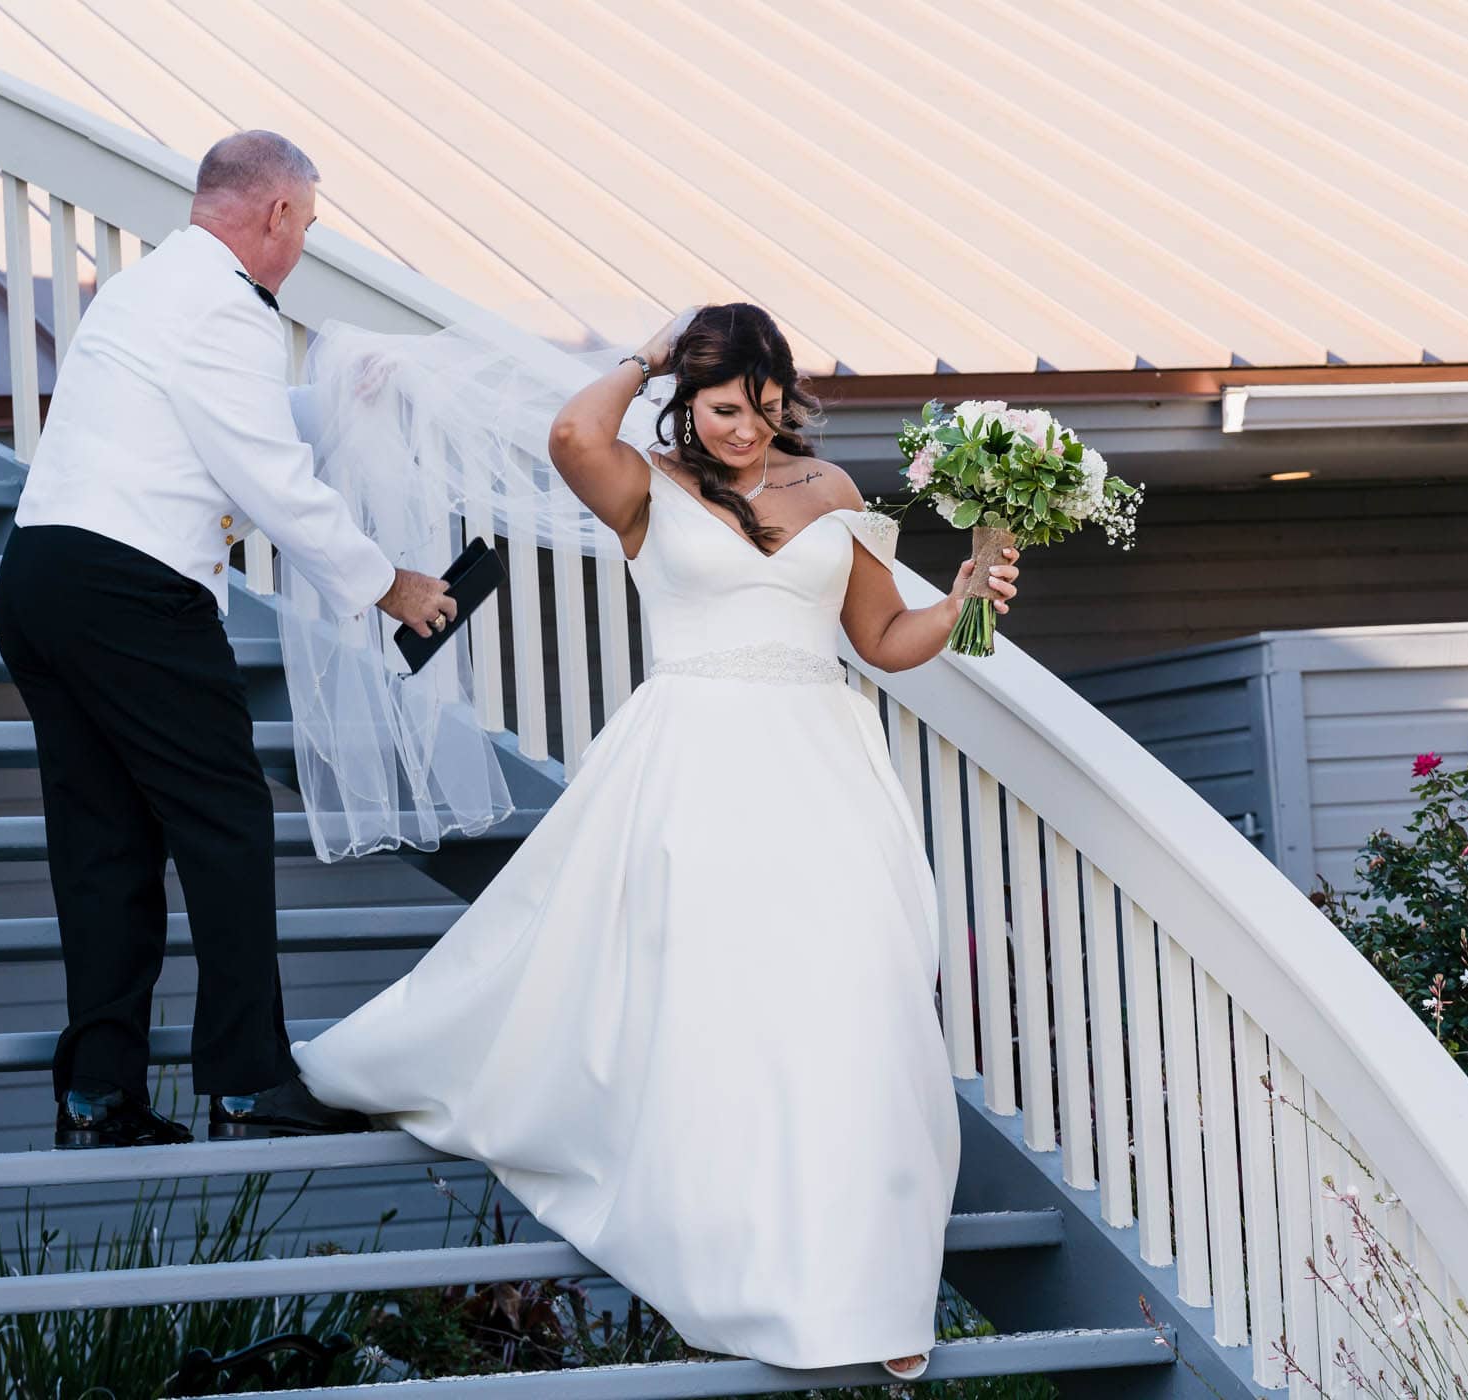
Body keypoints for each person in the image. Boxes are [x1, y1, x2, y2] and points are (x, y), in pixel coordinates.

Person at [291, 302, 1021, 1379]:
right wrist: (644, 354)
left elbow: (881, 640)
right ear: (689, 396)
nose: (746, 431)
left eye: (767, 409)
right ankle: (742, 1268)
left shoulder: (833, 493)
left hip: (826, 766)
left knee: (857, 1005)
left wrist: (969, 604)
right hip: (695, 766)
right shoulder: (645, 482)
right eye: (726, 407)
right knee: (726, 1016)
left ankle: (862, 1289)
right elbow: (570, 437)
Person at [0, 131, 459, 1149]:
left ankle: (97, 1095)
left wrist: (337, 405)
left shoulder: (148, 286)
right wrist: (389, 583)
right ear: (277, 214)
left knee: (105, 841)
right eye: (307, 224)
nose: (302, 249)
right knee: (226, 822)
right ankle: (247, 1081)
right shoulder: (227, 309)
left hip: (40, 577)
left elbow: (218, 422)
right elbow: (264, 474)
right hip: (133, 591)